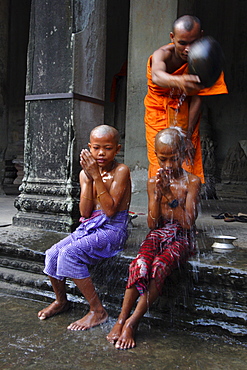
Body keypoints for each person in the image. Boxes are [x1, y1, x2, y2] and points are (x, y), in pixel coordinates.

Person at [107, 127, 201, 349]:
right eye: (162, 159)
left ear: (184, 154)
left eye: (174, 159)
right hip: (159, 233)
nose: (168, 166)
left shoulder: (192, 182)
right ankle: (121, 319)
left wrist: (169, 195)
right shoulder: (153, 182)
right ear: (155, 156)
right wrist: (157, 196)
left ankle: (133, 323)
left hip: (183, 237)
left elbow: (188, 223)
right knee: (140, 264)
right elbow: (152, 223)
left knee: (158, 266)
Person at [38, 125, 131, 330]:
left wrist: (96, 176)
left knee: (69, 254)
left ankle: (98, 311)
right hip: (89, 227)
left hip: (112, 230)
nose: (100, 153)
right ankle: (61, 301)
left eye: (107, 148)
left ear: (117, 149)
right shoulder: (85, 175)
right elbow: (85, 213)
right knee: (53, 253)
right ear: (89, 148)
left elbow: (109, 211)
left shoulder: (121, 171)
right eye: (96, 148)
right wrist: (88, 180)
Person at [144, 15, 228, 182]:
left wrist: (187, 136)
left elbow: (198, 98)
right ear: (172, 37)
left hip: (186, 114)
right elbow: (157, 76)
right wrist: (179, 81)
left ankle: (186, 206)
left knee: (185, 164)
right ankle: (159, 204)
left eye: (194, 42)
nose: (188, 49)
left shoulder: (204, 61)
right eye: (182, 43)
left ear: (201, 37)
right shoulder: (163, 54)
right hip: (158, 112)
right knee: (160, 163)